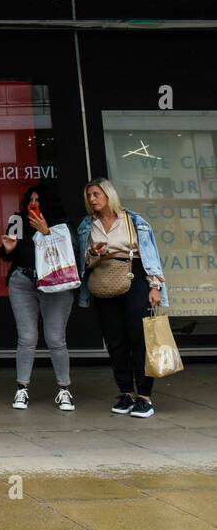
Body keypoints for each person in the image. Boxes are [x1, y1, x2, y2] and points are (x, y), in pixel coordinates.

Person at [76, 177, 169, 419]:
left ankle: (145, 397)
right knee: (115, 341)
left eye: (96, 194)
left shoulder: (134, 221)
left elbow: (150, 256)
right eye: (89, 196)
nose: (92, 199)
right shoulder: (88, 225)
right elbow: (82, 264)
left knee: (140, 339)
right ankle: (126, 391)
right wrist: (94, 254)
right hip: (103, 283)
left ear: (108, 195)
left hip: (134, 278)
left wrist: (155, 286)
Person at [0, 181, 76, 412]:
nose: (33, 204)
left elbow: (69, 253)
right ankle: (22, 387)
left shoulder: (62, 225)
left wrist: (46, 233)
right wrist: (8, 249)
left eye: (38, 200)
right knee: (27, 338)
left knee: (55, 339)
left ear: (48, 203)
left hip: (55, 284)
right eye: (30, 200)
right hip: (23, 281)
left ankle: (64, 389)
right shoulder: (18, 221)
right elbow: (6, 255)